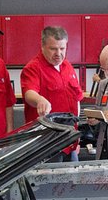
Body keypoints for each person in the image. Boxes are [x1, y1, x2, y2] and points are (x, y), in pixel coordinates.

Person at [21, 25, 84, 160]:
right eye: (53, 49)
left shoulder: (67, 66)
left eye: (62, 48)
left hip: (70, 141)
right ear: (42, 46)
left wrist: (76, 139)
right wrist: (39, 100)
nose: (58, 53)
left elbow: (76, 99)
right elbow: (29, 93)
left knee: (73, 179)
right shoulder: (33, 68)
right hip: (47, 144)